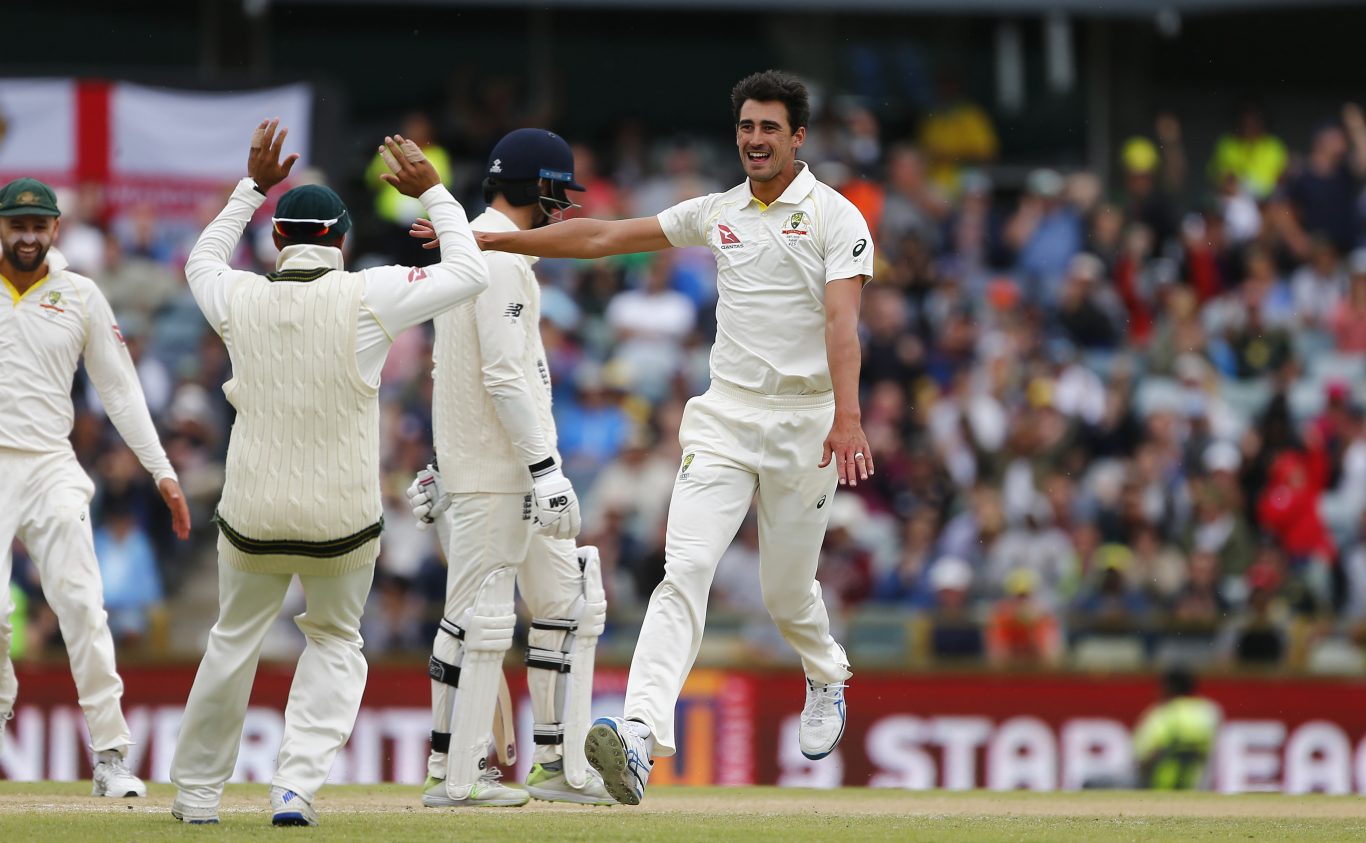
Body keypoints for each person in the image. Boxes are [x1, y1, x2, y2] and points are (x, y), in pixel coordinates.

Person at [455, 70, 874, 806]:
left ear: (798, 136)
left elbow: (843, 323)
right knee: (684, 571)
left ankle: (827, 672)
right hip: (725, 420)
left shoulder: (837, 218)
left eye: (769, 128)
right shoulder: (720, 211)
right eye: (746, 127)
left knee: (784, 594)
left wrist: (848, 415)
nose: (754, 139)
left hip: (807, 425)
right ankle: (641, 737)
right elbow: (606, 235)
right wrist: (493, 240)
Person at [168, 121, 488, 826]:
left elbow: (201, 261)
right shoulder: (369, 293)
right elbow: (471, 272)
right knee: (336, 642)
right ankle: (294, 788)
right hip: (342, 522)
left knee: (232, 640)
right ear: (340, 240)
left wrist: (251, 186)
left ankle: (196, 796)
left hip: (251, 515)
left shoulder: (240, 297)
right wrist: (435, 192)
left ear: (278, 240)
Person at [404, 128, 612, 807]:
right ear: (539, 187)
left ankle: (557, 766)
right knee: (477, 616)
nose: (564, 206)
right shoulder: (495, 259)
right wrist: (545, 468)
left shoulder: (481, 250)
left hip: (504, 469)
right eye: (559, 191)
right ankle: (453, 774)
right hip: (500, 472)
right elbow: (499, 375)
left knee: (568, 604)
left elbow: (457, 367)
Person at [0, 177, 191, 797]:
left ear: (56, 229)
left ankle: (111, 757)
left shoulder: (80, 294)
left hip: (52, 462)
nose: (27, 237)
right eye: (15, 226)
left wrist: (162, 470)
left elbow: (121, 390)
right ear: (0, 227)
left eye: (38, 226)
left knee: (82, 604)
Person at [1133, 667, 1221, 789]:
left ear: (1169, 687)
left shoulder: (1162, 713)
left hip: (1160, 789)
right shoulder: (1210, 712)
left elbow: (1143, 756)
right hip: (1197, 789)